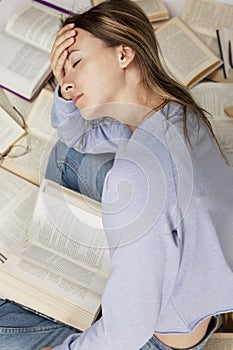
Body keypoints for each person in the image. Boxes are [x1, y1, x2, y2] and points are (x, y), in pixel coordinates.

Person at [1, 1, 233, 349]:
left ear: (124, 54)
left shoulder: (138, 178)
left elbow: (126, 333)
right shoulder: (177, 111)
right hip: (196, 293)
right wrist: (66, 81)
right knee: (69, 155)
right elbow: (78, 137)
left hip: (157, 338)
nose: (67, 83)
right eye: (61, 74)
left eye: (76, 63)